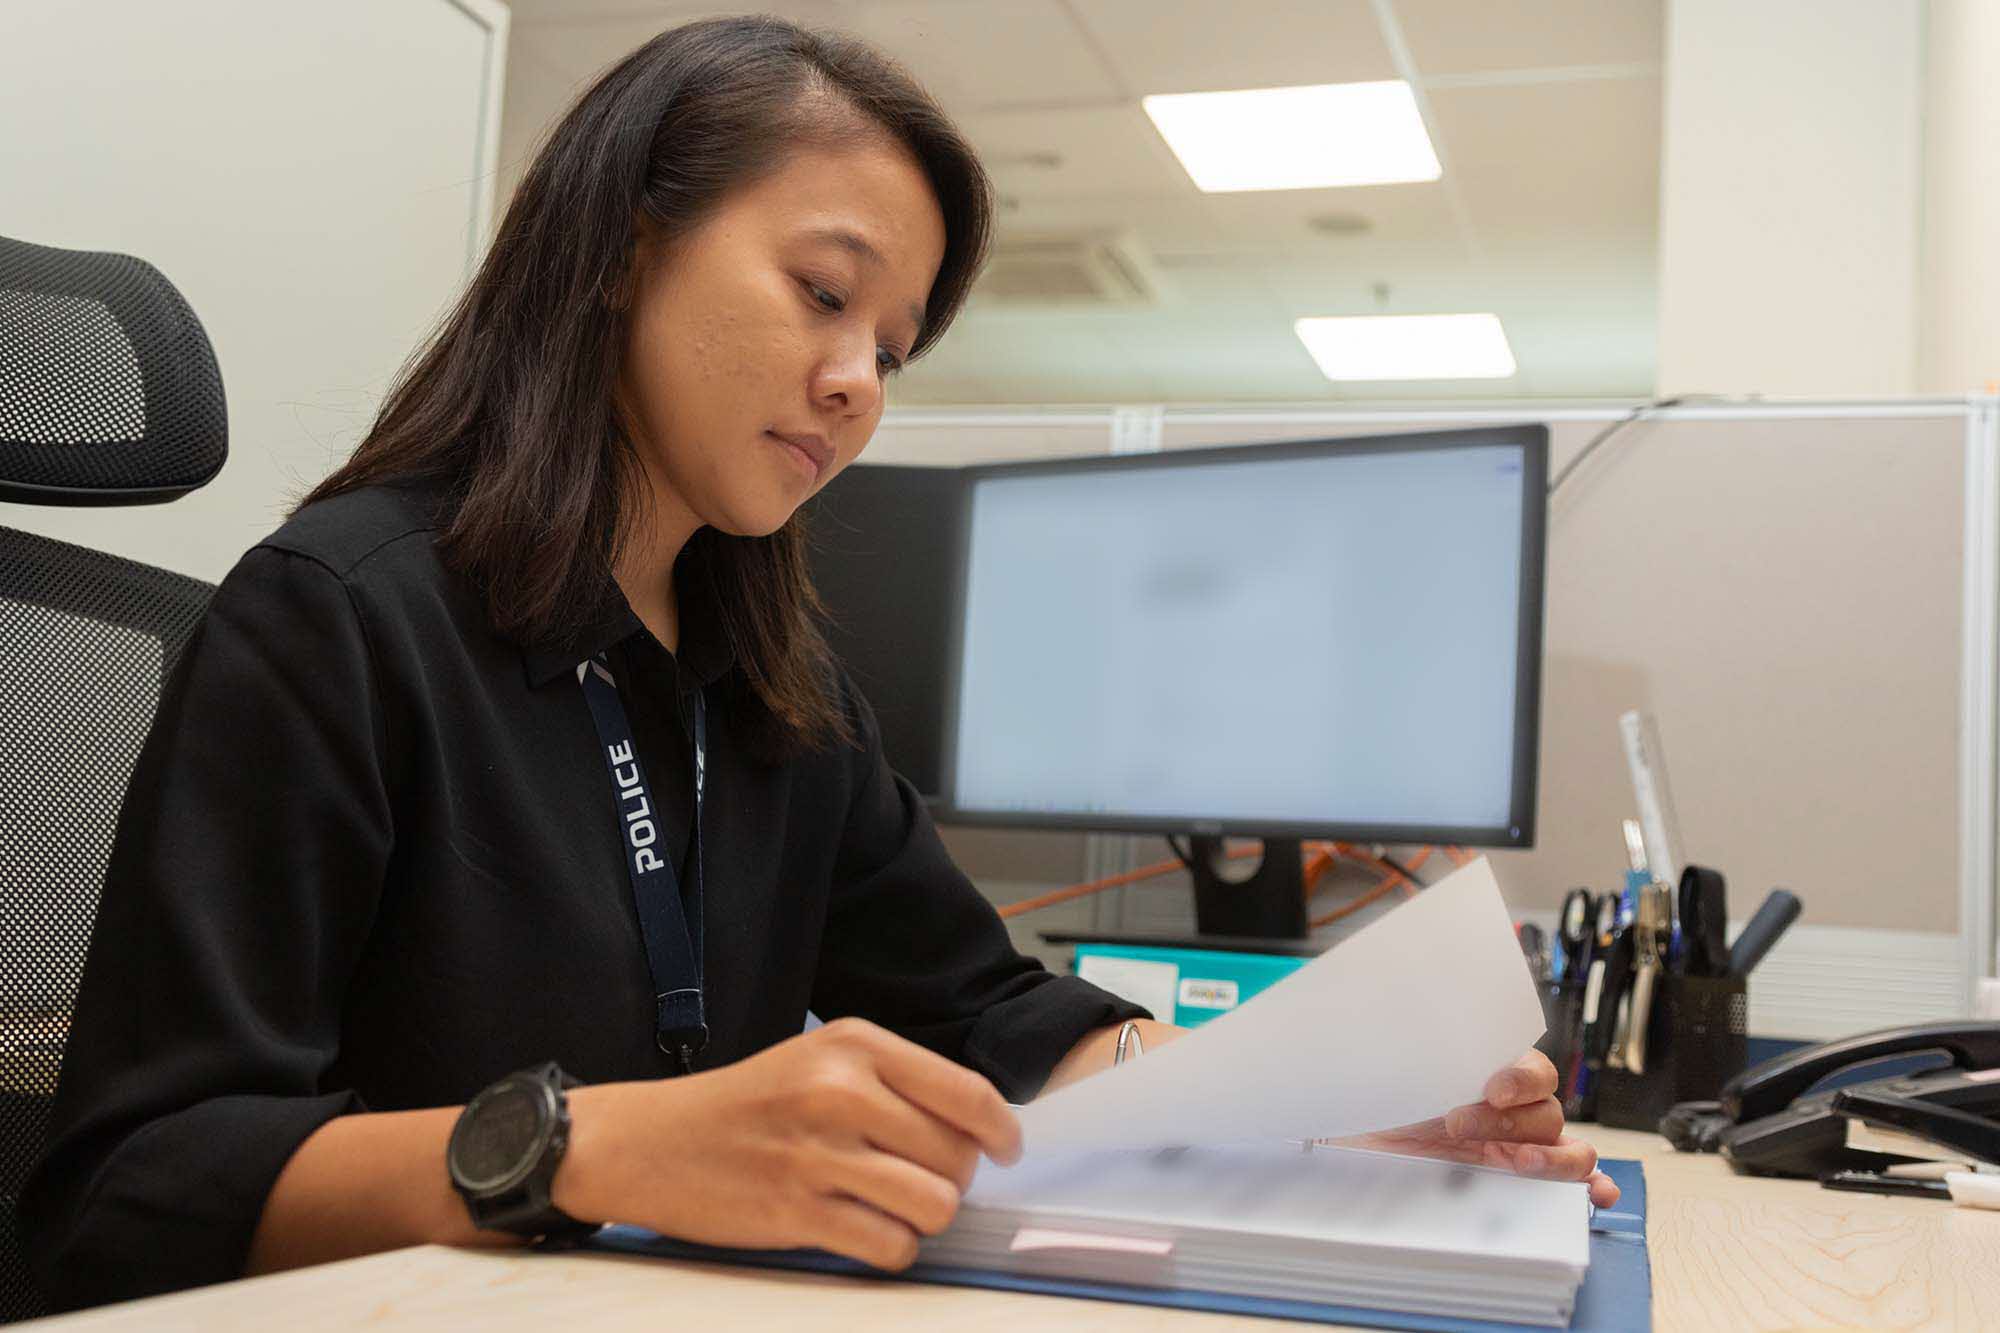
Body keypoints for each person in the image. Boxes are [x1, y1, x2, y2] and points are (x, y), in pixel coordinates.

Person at [20, 14, 1613, 1312]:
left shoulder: (775, 692)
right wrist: (583, 1147)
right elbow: (135, 1188)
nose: (858, 382)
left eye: (892, 348)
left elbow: (992, 1013)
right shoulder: (341, 619)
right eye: (823, 293)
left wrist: (1315, 1116)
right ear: (624, 248)